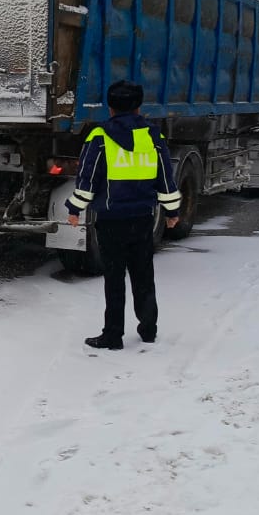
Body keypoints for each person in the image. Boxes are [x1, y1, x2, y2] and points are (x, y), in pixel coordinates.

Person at [66, 80, 180, 350]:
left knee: (114, 278)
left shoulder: (99, 136)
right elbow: (166, 178)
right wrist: (172, 211)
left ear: (110, 106)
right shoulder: (154, 137)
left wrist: (74, 209)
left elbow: (88, 178)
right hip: (142, 218)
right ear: (139, 106)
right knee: (143, 275)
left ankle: (113, 335)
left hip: (110, 219)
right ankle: (149, 330)